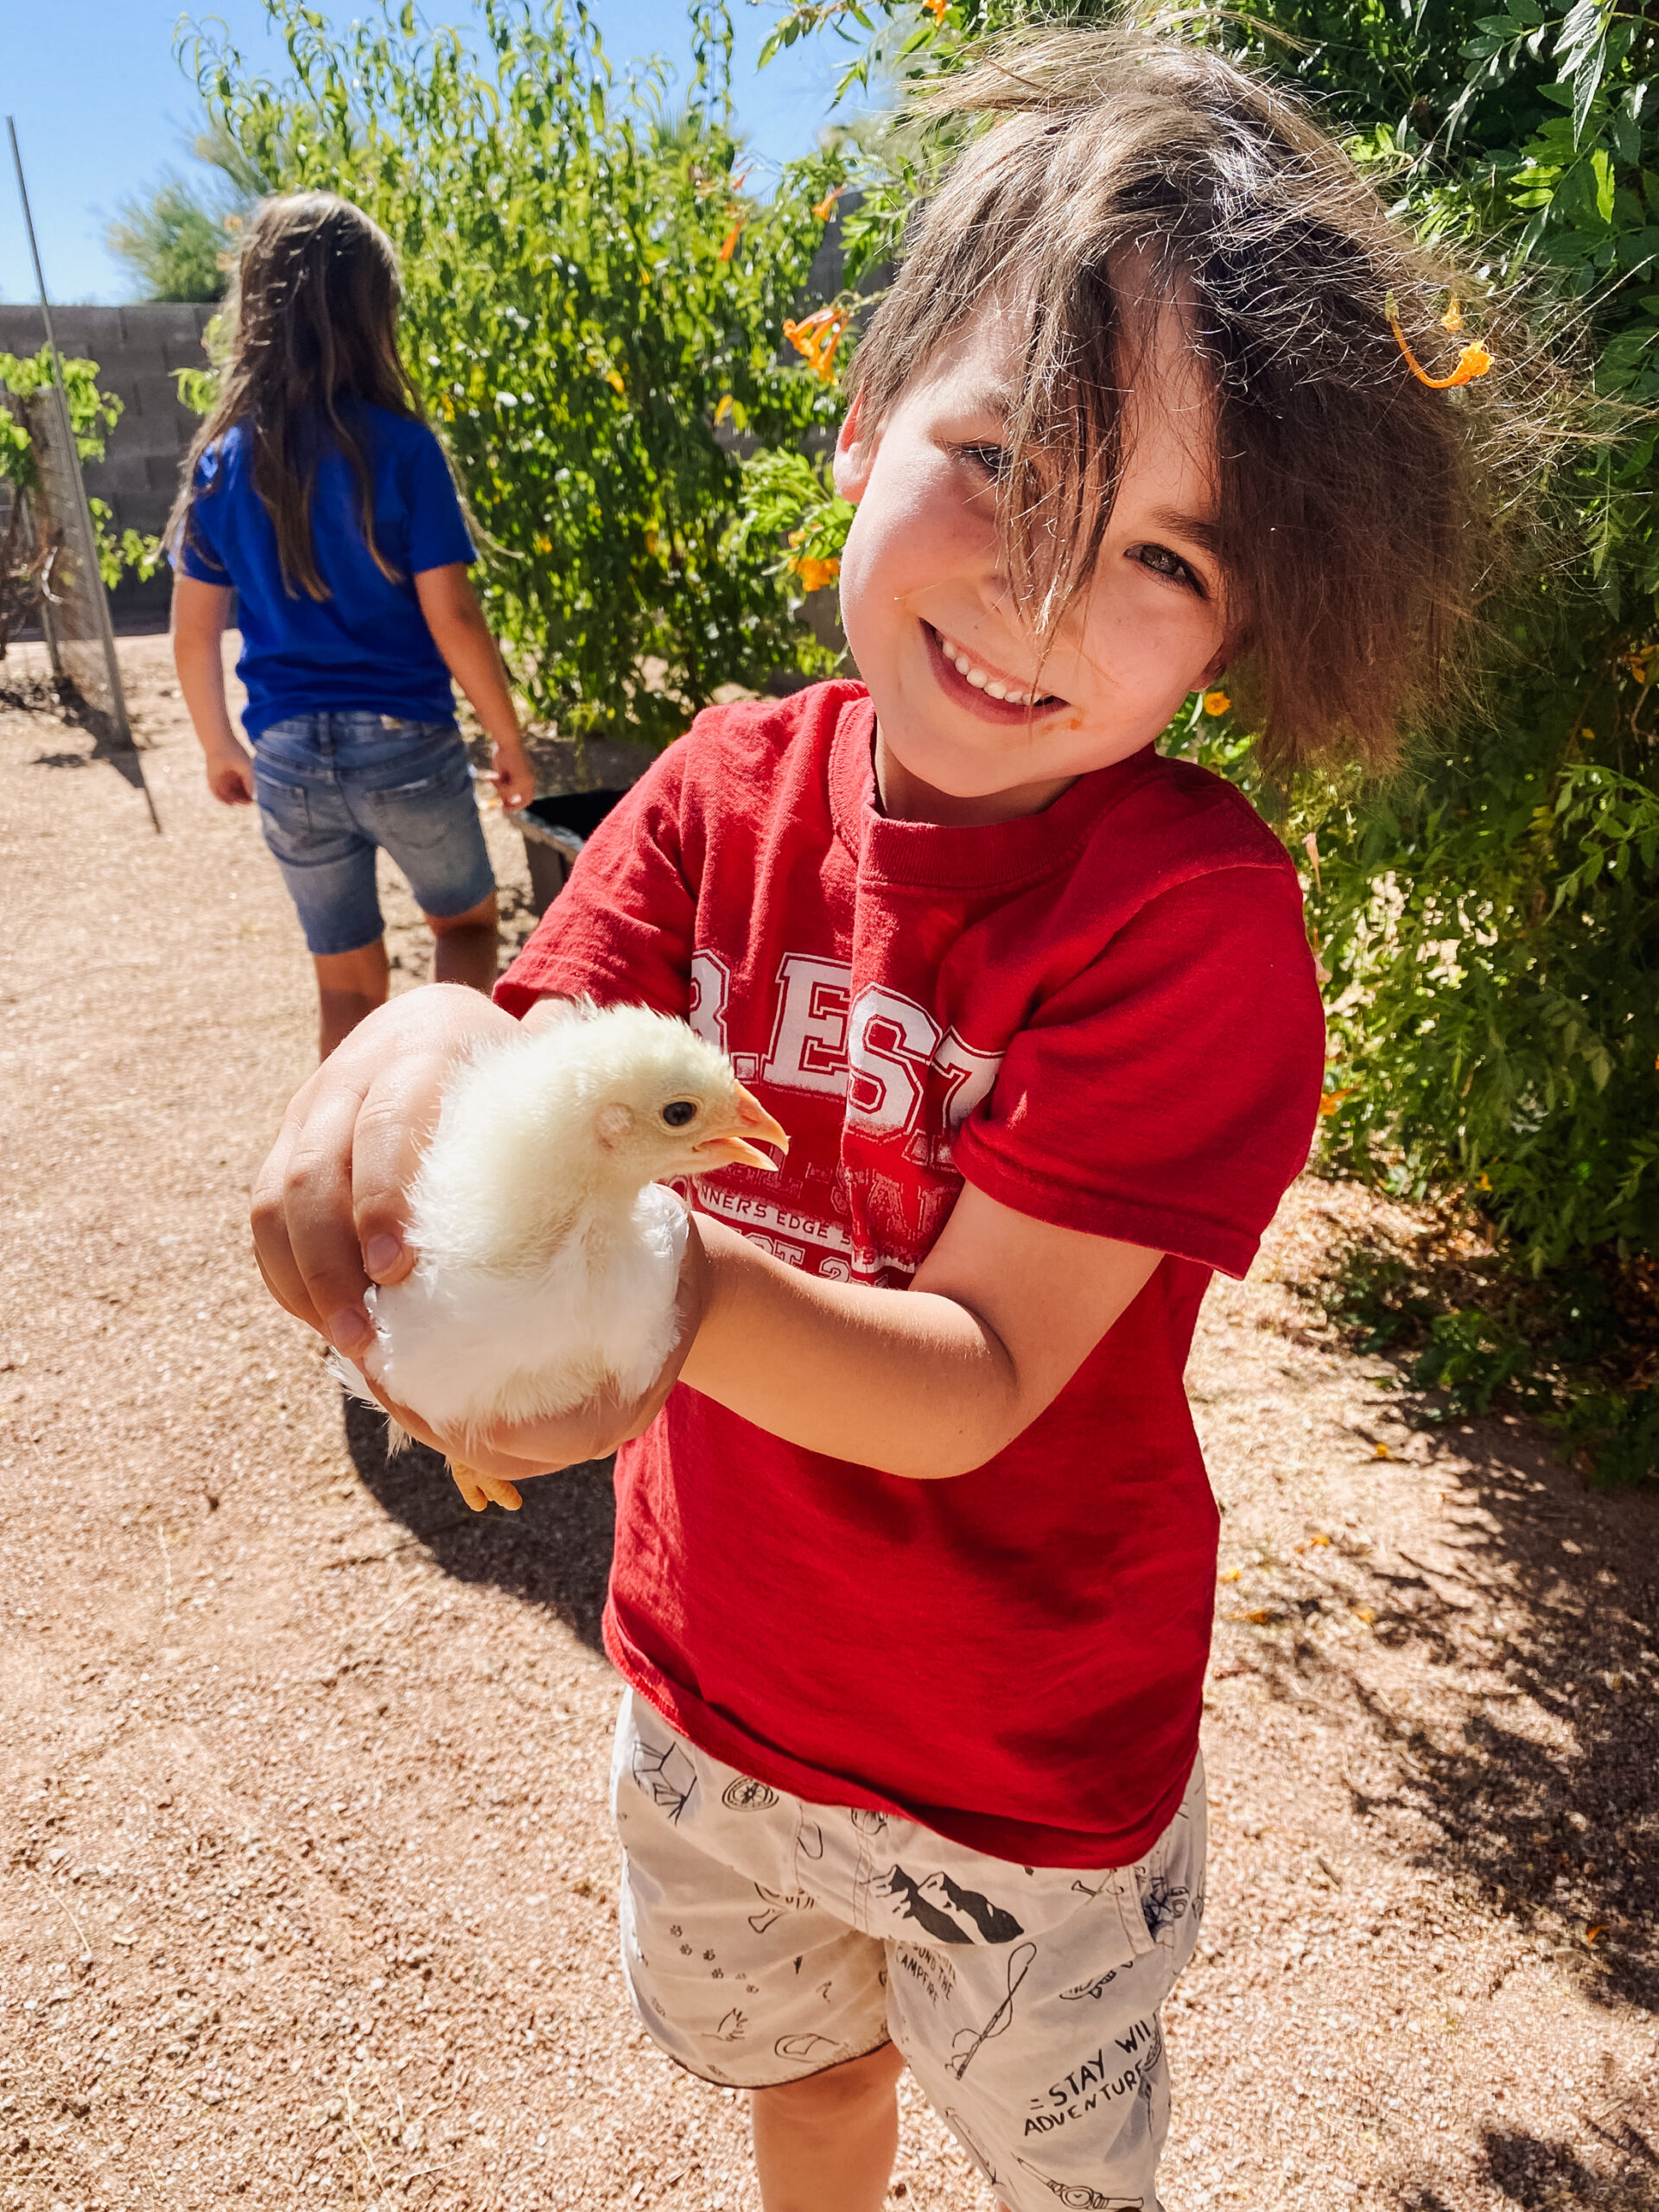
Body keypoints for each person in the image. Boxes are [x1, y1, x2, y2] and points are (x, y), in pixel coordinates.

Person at [248, 31, 1541, 2211]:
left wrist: (645, 1276)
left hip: (1025, 1763)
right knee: (810, 2088)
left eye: (1165, 560)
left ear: (1236, 634)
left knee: (1058, 2167)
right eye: (1005, 456)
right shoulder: (712, 788)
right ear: (856, 420)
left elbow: (983, 1380)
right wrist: (410, 1067)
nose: (1043, 598)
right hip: (719, 1682)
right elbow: (534, 1053)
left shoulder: (1189, 916)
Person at [168, 191, 536, 1061]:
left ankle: (337, 1166)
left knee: (344, 986)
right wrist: (507, 734)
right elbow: (453, 615)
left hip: (287, 759)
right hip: (405, 744)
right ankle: (441, 1128)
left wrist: (220, 746)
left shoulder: (224, 462)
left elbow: (193, 634)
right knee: (469, 926)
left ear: (255, 308)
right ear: (373, 312)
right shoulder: (401, 447)